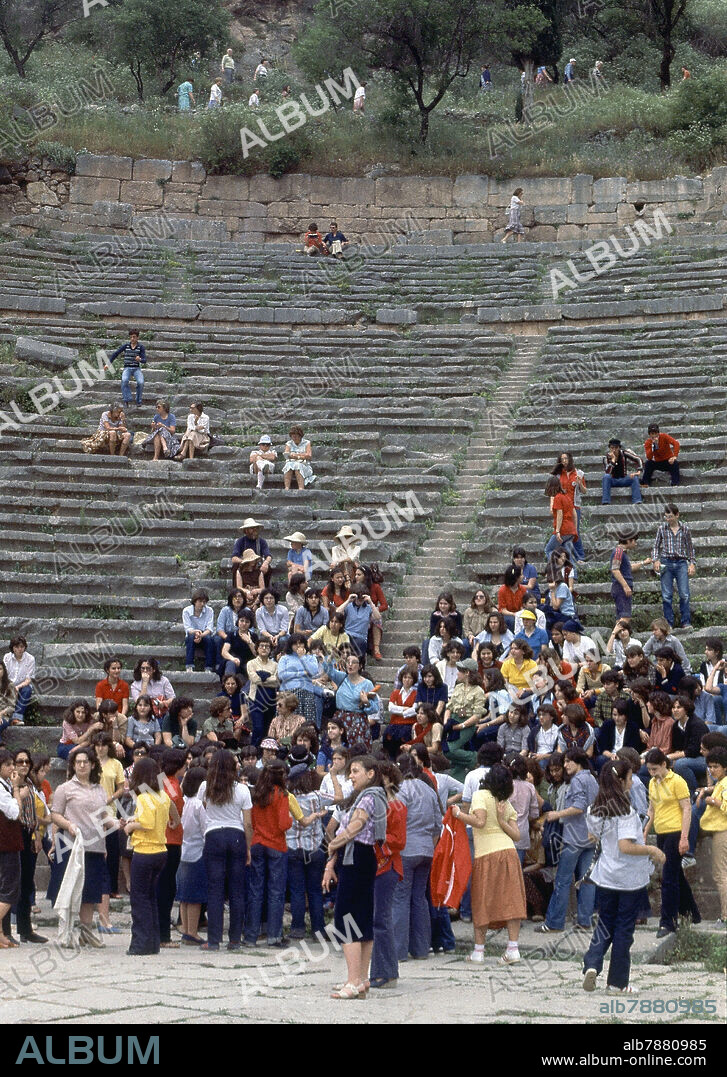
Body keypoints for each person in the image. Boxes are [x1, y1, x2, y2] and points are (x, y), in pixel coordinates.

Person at [582, 759, 665, 994]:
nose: (631, 782)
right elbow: (625, 846)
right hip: (628, 879)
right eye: (629, 778)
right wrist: (651, 849)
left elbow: (592, 836)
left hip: (605, 876)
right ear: (620, 781)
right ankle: (617, 982)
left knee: (605, 923)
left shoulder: (594, 809)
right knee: (623, 930)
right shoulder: (626, 812)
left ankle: (592, 963)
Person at [324, 755, 387, 997]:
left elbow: (356, 825)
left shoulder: (369, 797)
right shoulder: (374, 795)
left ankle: (353, 981)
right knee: (361, 918)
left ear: (370, 774)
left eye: (355, 771)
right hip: (362, 857)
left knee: (345, 918)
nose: (351, 776)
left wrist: (334, 844)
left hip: (356, 857)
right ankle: (361, 979)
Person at [453, 763, 526, 964]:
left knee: (481, 900)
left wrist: (459, 815)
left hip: (487, 854)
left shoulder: (480, 795)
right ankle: (513, 948)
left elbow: (479, 822)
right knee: (512, 900)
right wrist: (502, 821)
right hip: (509, 852)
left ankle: (479, 951)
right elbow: (517, 836)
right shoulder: (504, 802)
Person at [50, 746, 112, 949]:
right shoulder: (65, 788)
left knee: (90, 893)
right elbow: (55, 815)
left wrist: (122, 824)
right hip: (70, 845)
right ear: (73, 765)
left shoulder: (100, 789)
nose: (82, 765)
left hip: (94, 847)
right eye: (78, 762)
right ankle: (64, 933)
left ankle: (86, 933)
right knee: (69, 889)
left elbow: (105, 818)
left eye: (86, 761)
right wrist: (69, 825)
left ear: (93, 764)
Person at [536, 747, 599, 933]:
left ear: (576, 762)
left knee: (563, 881)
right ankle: (585, 920)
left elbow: (579, 806)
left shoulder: (578, 780)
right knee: (586, 881)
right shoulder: (592, 779)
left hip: (574, 837)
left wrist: (557, 814)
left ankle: (554, 922)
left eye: (567, 762)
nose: (564, 766)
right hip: (591, 836)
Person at [199, 750, 253, 951]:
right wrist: (248, 847)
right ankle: (235, 939)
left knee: (215, 890)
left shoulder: (206, 787)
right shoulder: (242, 790)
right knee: (237, 890)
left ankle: (213, 940)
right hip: (236, 835)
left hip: (213, 835)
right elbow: (247, 823)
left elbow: (205, 808)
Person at [643, 748, 700, 937]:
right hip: (661, 832)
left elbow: (687, 810)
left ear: (664, 765)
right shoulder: (652, 783)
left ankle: (668, 922)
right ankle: (692, 913)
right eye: (649, 770)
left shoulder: (677, 781)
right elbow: (651, 809)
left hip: (676, 831)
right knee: (676, 875)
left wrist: (684, 837)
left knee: (668, 877)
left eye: (655, 769)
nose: (652, 773)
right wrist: (645, 831)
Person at [391, 754, 442, 962]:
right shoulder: (429, 790)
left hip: (406, 850)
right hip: (426, 849)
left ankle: (398, 951)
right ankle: (421, 949)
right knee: (419, 899)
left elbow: (397, 821)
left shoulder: (400, 791)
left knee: (400, 899)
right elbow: (439, 822)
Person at [124, 756, 174, 956]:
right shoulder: (163, 795)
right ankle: (153, 941)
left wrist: (129, 826)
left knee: (139, 899)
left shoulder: (143, 796)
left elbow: (146, 823)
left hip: (145, 852)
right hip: (161, 850)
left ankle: (140, 943)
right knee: (151, 898)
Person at [245, 760, 292, 947]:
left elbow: (252, 822)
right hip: (276, 845)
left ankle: (250, 936)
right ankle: (274, 936)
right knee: (275, 892)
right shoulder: (281, 794)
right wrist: (290, 820)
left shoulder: (256, 794)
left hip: (258, 842)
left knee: (256, 891)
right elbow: (283, 824)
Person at [286, 764, 327, 938]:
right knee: (315, 890)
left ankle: (297, 928)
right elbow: (339, 798)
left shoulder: (288, 798)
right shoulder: (317, 797)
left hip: (293, 847)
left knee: (297, 890)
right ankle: (318, 929)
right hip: (315, 848)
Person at [176, 766, 208, 945]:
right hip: (198, 852)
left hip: (183, 851)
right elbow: (205, 830)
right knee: (194, 897)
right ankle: (193, 932)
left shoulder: (183, 801)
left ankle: (186, 930)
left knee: (184, 896)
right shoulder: (198, 805)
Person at [652, 504, 696, 631]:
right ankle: (668, 624)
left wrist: (692, 563)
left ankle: (686, 622)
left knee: (684, 594)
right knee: (666, 595)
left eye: (670, 516)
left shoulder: (685, 529)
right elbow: (656, 546)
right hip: (666, 561)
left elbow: (690, 548)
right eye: (666, 517)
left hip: (681, 562)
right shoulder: (662, 529)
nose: (668, 519)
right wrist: (655, 560)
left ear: (677, 515)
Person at [323, 652, 379, 749]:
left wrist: (366, 702)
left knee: (355, 750)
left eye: (354, 662)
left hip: (357, 721)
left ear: (360, 665)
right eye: (348, 662)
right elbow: (328, 669)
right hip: (340, 718)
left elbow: (375, 708)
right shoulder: (341, 677)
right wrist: (330, 657)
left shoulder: (367, 684)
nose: (350, 665)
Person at [698, 747, 727, 923]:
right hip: (720, 831)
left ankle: (725, 916)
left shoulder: (725, 784)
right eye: (710, 766)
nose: (712, 770)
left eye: (716, 766)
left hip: (723, 831)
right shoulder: (720, 783)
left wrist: (713, 801)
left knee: (720, 874)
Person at [0, 749, 24, 948]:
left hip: (7, 844)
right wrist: (16, 790)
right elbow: (15, 812)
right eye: (7, 765)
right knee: (10, 890)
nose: (11, 768)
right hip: (6, 845)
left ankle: (1, 935)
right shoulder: (3, 788)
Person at [610, 531, 652, 621]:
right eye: (634, 541)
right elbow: (615, 570)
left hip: (621, 587)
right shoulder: (618, 552)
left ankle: (617, 635)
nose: (635, 544)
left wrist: (643, 563)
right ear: (629, 541)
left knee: (621, 617)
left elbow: (628, 568)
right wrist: (625, 586)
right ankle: (613, 635)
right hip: (621, 588)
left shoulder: (622, 552)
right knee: (625, 617)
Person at [106, 329, 147, 409]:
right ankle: (127, 399)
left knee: (141, 382)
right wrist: (108, 363)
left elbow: (144, 360)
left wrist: (140, 359)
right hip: (127, 367)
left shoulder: (141, 347)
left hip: (136, 368)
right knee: (124, 380)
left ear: (137, 338)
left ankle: (138, 400)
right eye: (131, 337)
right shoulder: (126, 346)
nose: (132, 339)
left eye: (134, 337)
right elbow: (116, 353)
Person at [544, 475, 580, 563]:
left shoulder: (557, 497)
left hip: (563, 530)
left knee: (549, 550)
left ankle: (555, 570)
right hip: (570, 530)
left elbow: (560, 514)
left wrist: (557, 531)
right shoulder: (567, 496)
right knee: (567, 555)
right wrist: (575, 530)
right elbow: (574, 514)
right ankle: (572, 575)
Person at [232, 517, 272, 593]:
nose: (254, 530)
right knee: (235, 566)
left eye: (255, 528)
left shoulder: (261, 542)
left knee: (268, 568)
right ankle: (236, 591)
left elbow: (268, 555)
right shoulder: (241, 541)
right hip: (245, 565)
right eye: (252, 528)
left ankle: (265, 592)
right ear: (246, 530)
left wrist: (266, 563)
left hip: (258, 565)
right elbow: (234, 558)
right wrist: (245, 562)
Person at [3, 635, 35, 724]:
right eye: (17, 647)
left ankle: (16, 718)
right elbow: (3, 676)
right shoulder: (7, 657)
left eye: (22, 647)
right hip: (8, 685)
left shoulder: (30, 659)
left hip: (22, 686)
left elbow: (29, 679)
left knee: (28, 689)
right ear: (13, 648)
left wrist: (17, 687)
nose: (20, 649)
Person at [183, 588, 216, 673]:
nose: (202, 604)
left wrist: (201, 635)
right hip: (192, 635)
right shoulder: (186, 611)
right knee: (191, 637)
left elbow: (209, 629)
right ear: (195, 601)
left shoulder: (209, 610)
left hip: (204, 635)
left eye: (204, 602)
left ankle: (208, 667)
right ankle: (189, 665)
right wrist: (196, 633)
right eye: (200, 601)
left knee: (209, 639)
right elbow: (188, 628)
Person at [602, 438, 642, 505]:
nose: (614, 450)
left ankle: (637, 500)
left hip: (623, 478)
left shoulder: (623, 453)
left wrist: (639, 470)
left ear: (619, 448)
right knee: (606, 477)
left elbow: (638, 459)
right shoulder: (606, 458)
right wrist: (613, 460)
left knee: (634, 478)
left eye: (616, 448)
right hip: (612, 480)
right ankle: (606, 501)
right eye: (612, 448)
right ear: (609, 448)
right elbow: (608, 471)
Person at [642, 424, 680, 488]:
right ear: (649, 434)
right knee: (648, 463)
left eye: (656, 433)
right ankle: (645, 483)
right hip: (658, 462)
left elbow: (676, 443)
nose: (654, 435)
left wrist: (674, 456)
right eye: (652, 433)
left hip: (668, 460)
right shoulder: (648, 442)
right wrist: (653, 446)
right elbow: (649, 457)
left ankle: (675, 483)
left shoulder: (664, 436)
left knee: (675, 464)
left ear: (658, 433)